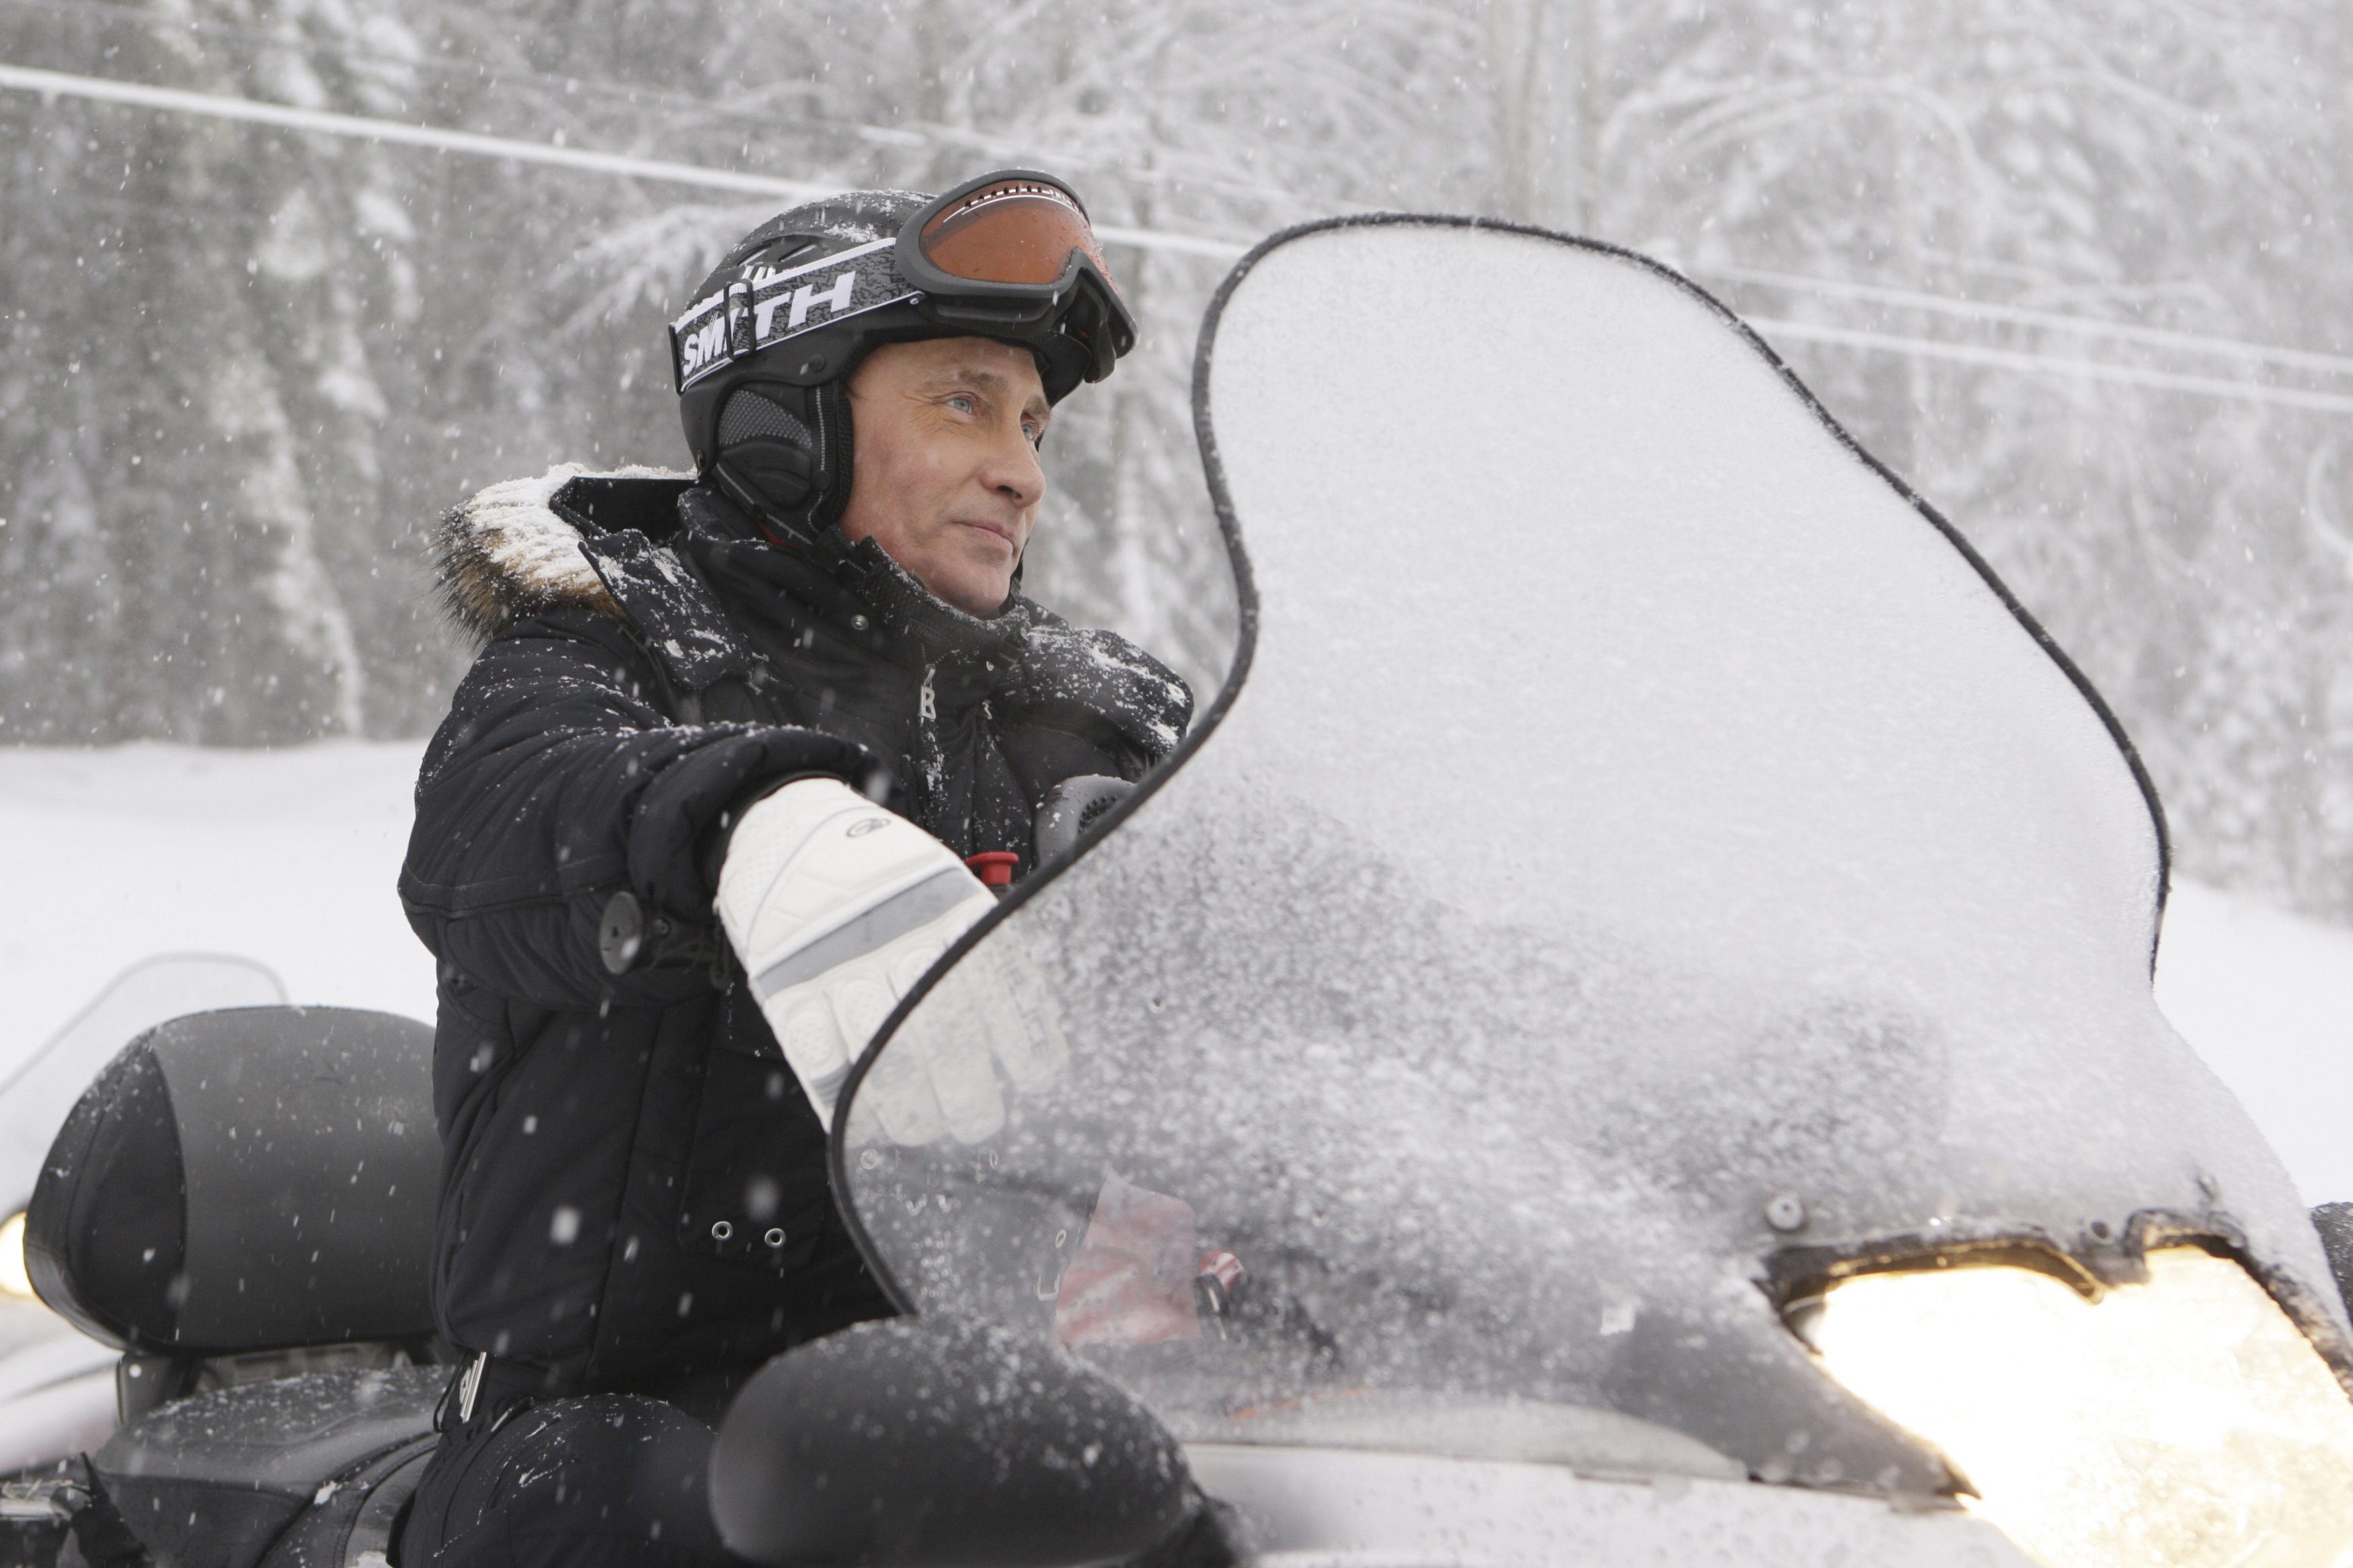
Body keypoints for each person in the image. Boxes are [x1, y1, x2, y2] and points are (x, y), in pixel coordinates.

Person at [397, 171, 1193, 1567]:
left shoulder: (1083, 708)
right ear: (789, 419)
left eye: (1033, 422)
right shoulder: (607, 646)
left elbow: (1306, 883)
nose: (1022, 467)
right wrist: (747, 825)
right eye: (965, 402)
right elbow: (497, 825)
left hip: (970, 1407)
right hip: (596, 1428)